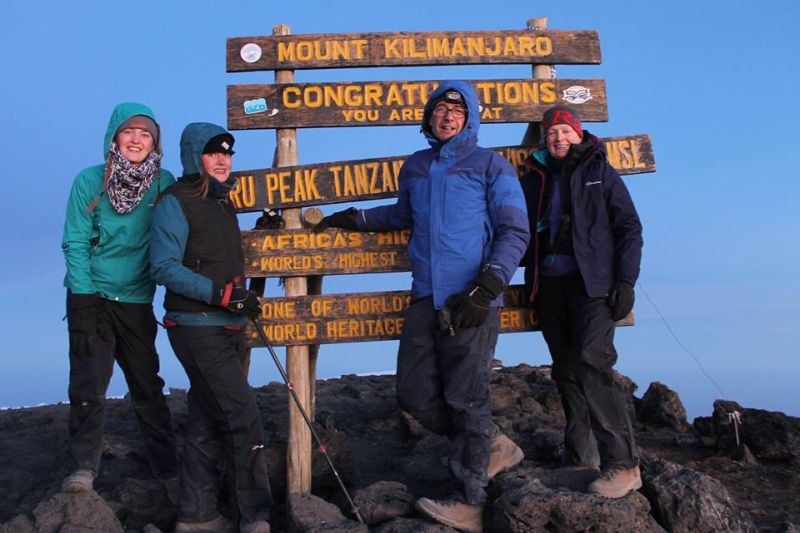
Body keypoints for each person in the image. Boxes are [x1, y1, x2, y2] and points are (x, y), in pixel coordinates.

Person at [314, 81, 530, 533]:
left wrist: (487, 286)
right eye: (440, 109)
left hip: (471, 299)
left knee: (467, 399)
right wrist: (353, 218)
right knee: (412, 394)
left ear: (470, 117)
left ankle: (471, 502)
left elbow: (515, 232)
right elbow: (400, 216)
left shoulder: (493, 167)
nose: (447, 116)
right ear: (429, 117)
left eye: (457, 109)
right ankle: (490, 443)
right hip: (425, 296)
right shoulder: (416, 166)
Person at [150, 122, 272, 533]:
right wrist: (224, 296)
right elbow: (165, 266)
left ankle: (196, 515)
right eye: (213, 152)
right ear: (193, 155)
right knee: (243, 415)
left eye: (228, 153)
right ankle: (255, 515)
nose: (222, 159)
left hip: (228, 325)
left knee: (205, 418)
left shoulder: (223, 202)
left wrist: (259, 236)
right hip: (195, 326)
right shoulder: (175, 201)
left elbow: (216, 254)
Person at [519, 105, 643, 498]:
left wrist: (626, 281)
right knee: (567, 370)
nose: (558, 138)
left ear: (579, 134)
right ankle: (579, 456)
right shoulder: (534, 178)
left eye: (565, 132)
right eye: (551, 133)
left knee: (593, 362)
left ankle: (623, 465)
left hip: (594, 286)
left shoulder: (600, 173)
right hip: (549, 285)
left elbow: (629, 228)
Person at [61, 102, 178, 494]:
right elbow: (75, 239)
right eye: (129, 132)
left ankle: (167, 467)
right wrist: (82, 296)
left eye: (145, 134)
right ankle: (83, 469)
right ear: (114, 136)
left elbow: (177, 233)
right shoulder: (89, 180)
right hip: (91, 295)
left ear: (154, 144)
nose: (136, 139)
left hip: (137, 299)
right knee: (88, 386)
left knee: (147, 384)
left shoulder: (164, 182)